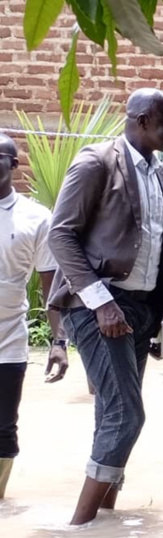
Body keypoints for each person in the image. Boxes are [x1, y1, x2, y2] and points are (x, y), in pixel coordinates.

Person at [48, 89, 163, 524]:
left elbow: (158, 248)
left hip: (141, 310)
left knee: (112, 411)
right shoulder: (96, 163)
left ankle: (105, 520)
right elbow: (61, 236)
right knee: (127, 414)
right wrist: (102, 304)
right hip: (98, 304)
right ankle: (78, 527)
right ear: (141, 120)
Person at [0, 134, 69, 499]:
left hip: (8, 339)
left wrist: (59, 342)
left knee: (4, 427)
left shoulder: (36, 218)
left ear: (13, 165)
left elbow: (50, 285)